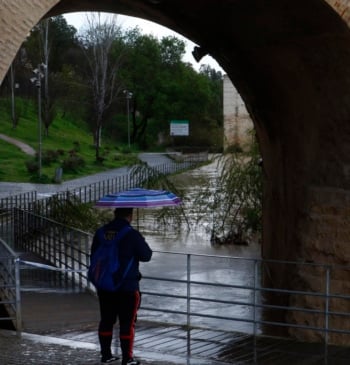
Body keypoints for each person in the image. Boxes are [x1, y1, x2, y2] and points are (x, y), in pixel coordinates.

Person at [91, 207, 152, 365]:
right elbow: (147, 256)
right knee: (127, 323)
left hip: (105, 285)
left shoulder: (100, 232)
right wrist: (139, 240)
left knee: (106, 320)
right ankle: (127, 359)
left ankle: (106, 356)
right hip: (127, 287)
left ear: (115, 214)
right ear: (130, 216)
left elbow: (93, 256)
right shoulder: (131, 234)